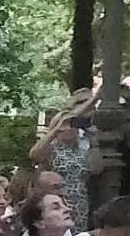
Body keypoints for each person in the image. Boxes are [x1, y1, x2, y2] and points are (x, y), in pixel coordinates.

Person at [29, 90, 94, 227]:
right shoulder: (52, 148)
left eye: (73, 126)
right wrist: (56, 130)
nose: (70, 129)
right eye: (67, 126)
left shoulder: (82, 149)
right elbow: (34, 155)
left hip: (80, 203)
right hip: (55, 201)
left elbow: (96, 169)